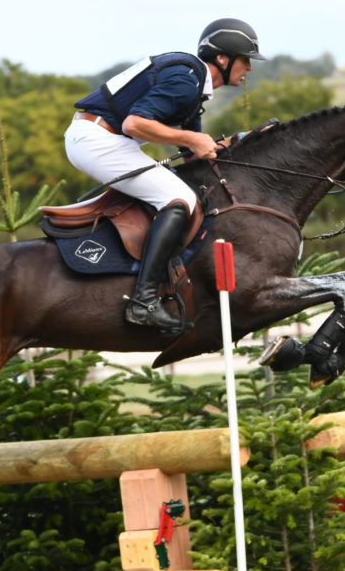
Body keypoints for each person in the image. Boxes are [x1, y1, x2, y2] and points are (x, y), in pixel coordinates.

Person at [65, 18, 266, 335]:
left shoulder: (192, 83)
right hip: (98, 140)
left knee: (184, 188)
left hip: (101, 138)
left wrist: (242, 140)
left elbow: (195, 154)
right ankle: (143, 302)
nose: (250, 69)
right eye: (246, 60)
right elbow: (134, 124)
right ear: (223, 59)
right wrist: (191, 139)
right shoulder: (187, 80)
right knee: (178, 199)